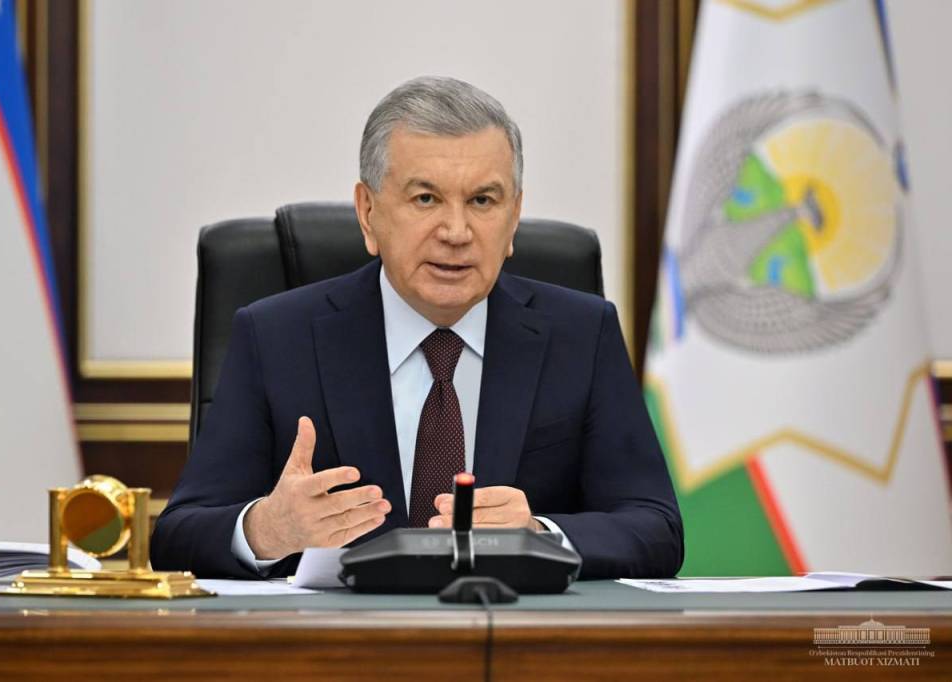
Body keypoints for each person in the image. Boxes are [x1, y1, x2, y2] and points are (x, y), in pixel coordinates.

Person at [150, 76, 683, 579]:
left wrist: (538, 535)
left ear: (514, 216)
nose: (456, 231)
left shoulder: (582, 334)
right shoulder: (276, 338)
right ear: (368, 212)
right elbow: (178, 536)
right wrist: (268, 529)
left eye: (482, 200)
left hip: (514, 635)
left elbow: (656, 529)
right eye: (426, 198)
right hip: (337, 640)